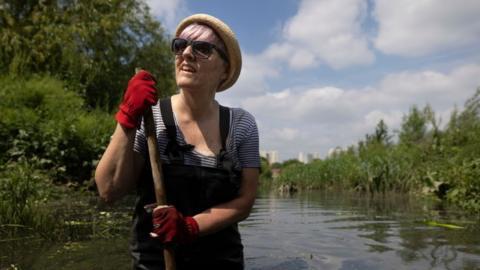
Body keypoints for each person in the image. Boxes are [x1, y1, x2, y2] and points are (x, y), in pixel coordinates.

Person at [95, 13, 260, 270]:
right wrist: (127, 116)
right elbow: (109, 190)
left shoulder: (241, 125)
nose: (187, 53)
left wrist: (190, 226)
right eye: (180, 45)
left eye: (203, 48)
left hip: (221, 261)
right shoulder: (152, 117)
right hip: (154, 261)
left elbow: (245, 201)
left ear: (225, 70)